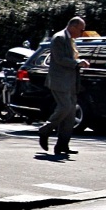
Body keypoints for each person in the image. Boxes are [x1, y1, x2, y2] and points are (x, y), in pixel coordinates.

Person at [39, 16, 90, 156]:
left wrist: (79, 61)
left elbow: (71, 57)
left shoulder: (70, 39)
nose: (82, 33)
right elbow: (59, 59)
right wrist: (77, 63)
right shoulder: (59, 38)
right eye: (81, 29)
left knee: (70, 114)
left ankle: (62, 145)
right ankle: (45, 129)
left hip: (71, 81)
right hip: (59, 81)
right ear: (73, 27)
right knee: (65, 107)